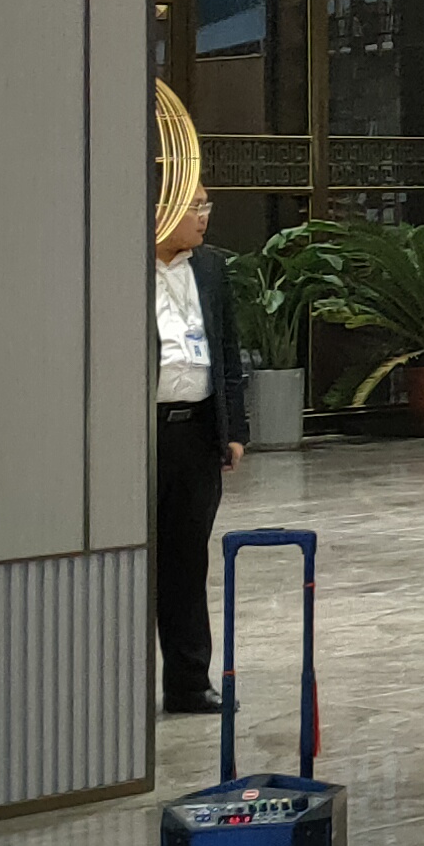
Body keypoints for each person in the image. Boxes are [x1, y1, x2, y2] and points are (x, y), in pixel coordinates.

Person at [152, 196, 248, 716]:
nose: (204, 215)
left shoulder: (210, 267)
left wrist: (235, 430)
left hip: (196, 433)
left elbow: (228, 351)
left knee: (188, 562)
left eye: (207, 204)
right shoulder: (121, 264)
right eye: (194, 205)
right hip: (141, 435)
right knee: (132, 561)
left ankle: (189, 684)